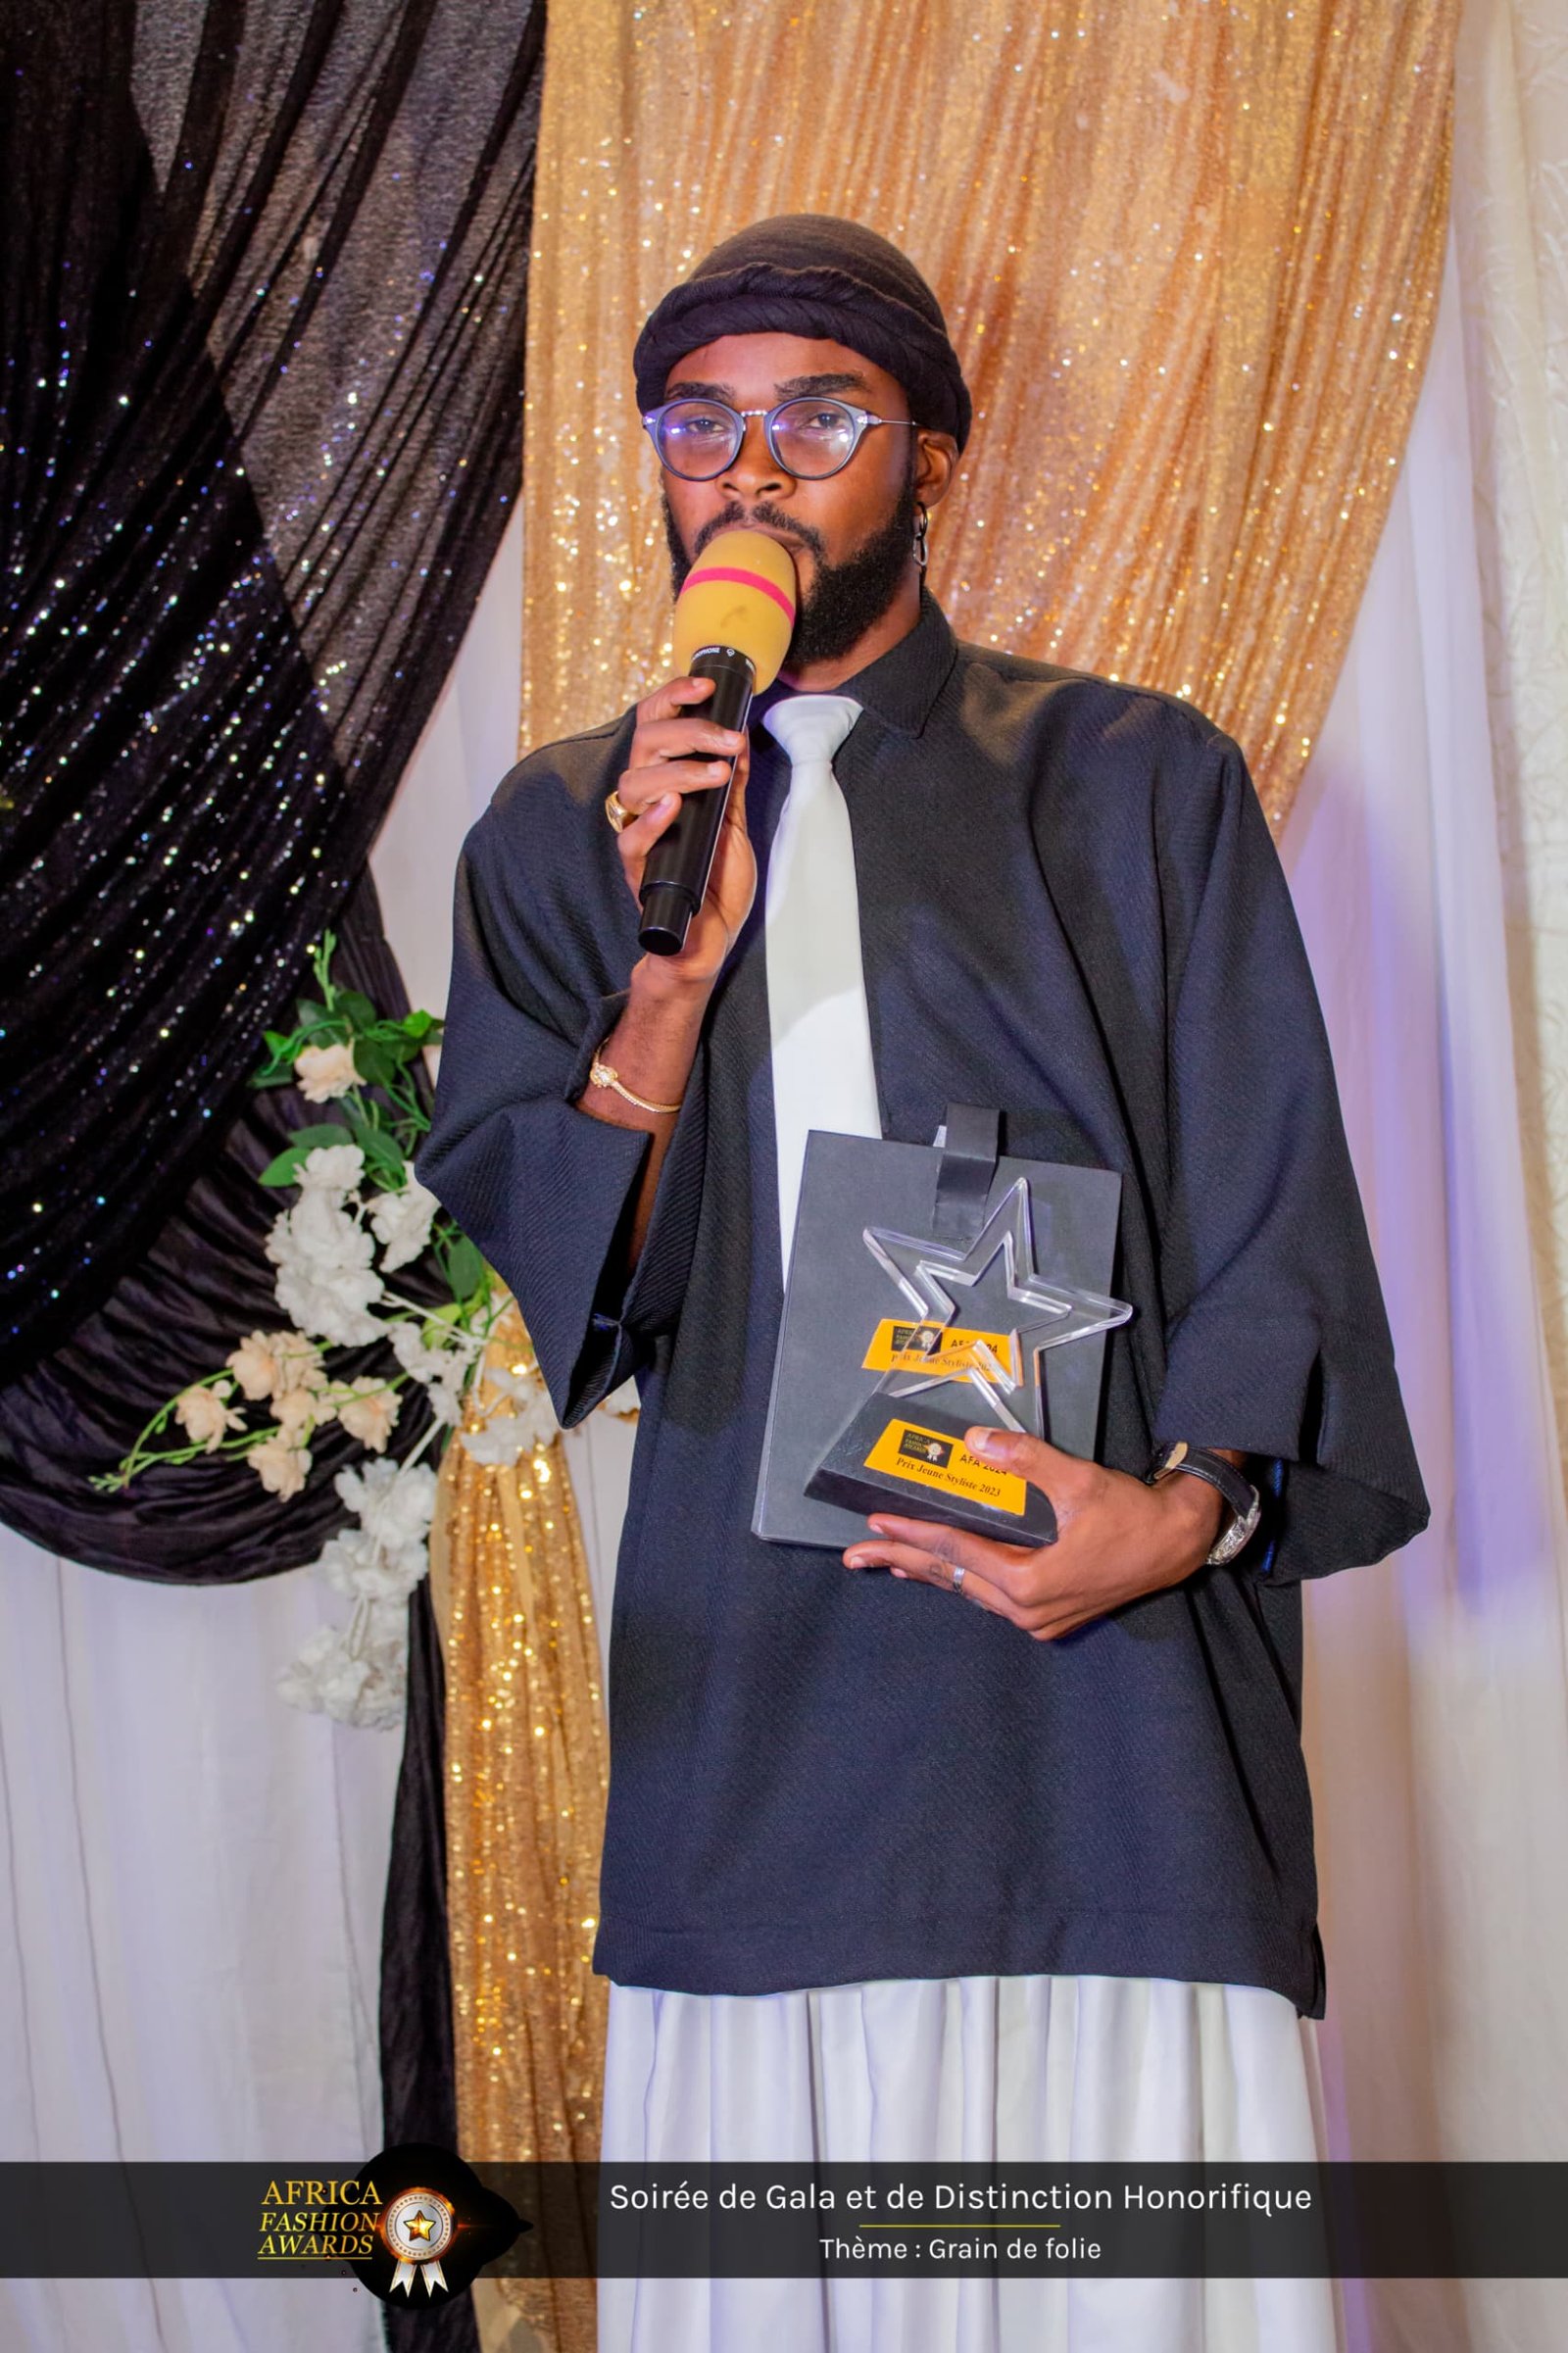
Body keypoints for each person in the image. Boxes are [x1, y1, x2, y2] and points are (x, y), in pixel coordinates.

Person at [418, 215, 1428, 2353]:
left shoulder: (1130, 777)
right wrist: (662, 982)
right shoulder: (560, 830)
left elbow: (1271, 1201)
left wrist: (1187, 1514)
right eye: (699, 425)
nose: (750, 473)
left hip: (1106, 1725)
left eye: (819, 419)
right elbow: (566, 1288)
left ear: (932, 459)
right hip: (757, 1714)